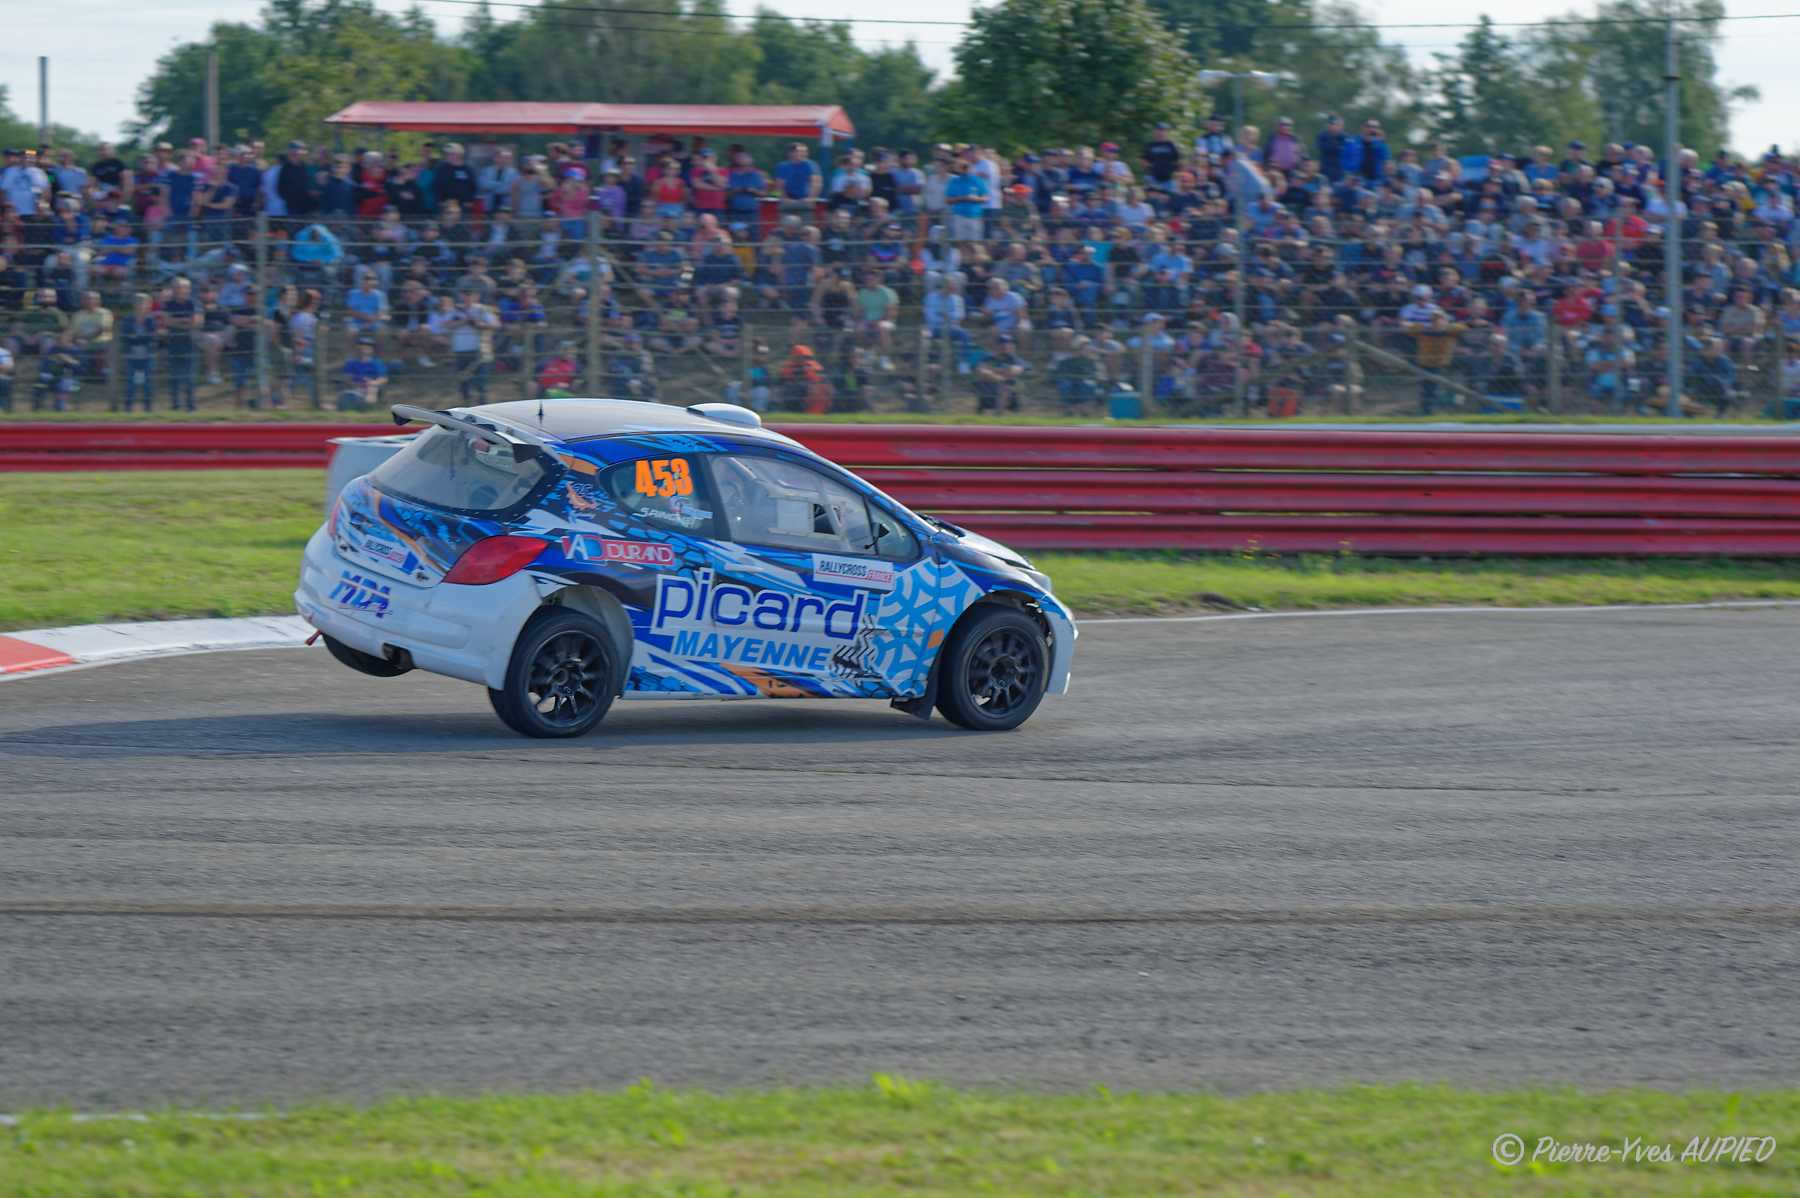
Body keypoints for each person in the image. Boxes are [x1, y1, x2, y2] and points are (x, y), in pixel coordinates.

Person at [339, 338, 387, 411]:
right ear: (357, 348)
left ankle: (369, 409)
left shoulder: (376, 362)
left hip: (371, 387)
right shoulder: (351, 362)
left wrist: (373, 382)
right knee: (348, 393)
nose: (364, 348)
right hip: (355, 387)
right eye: (361, 345)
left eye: (368, 346)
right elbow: (346, 377)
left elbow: (384, 378)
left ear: (372, 349)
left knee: (371, 389)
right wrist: (355, 383)